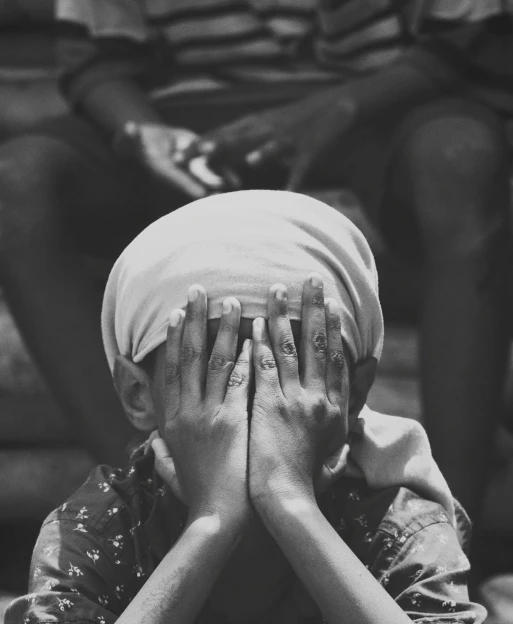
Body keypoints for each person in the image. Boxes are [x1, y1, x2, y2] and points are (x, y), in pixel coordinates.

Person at [1, 192, 512, 624]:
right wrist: (212, 524)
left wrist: (290, 504)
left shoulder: (396, 521)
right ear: (139, 395)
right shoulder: (107, 522)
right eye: (215, 367)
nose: (258, 399)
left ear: (355, 390)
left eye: (293, 366)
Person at [0, 1, 512, 545]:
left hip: (384, 102)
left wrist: (338, 108)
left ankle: (447, 541)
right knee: (18, 181)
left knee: (461, 158)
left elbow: (470, 37)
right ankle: (162, 516)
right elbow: (97, 56)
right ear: (136, 392)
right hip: (186, 110)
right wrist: (143, 128)